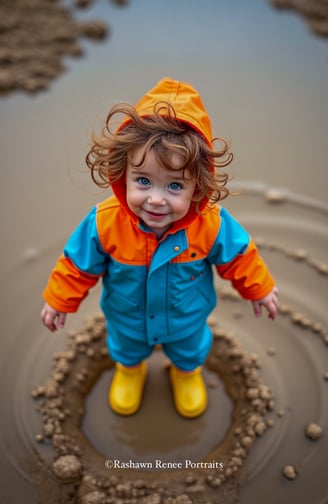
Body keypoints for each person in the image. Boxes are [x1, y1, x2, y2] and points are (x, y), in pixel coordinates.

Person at [41, 77, 278, 418]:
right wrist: (59, 299)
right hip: (127, 315)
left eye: (175, 185)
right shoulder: (105, 222)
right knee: (125, 347)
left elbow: (240, 256)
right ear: (123, 173)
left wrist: (260, 289)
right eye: (143, 181)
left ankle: (185, 373)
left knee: (190, 348)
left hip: (186, 316)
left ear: (198, 186)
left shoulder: (210, 223)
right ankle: (129, 370)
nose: (155, 198)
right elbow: (77, 264)